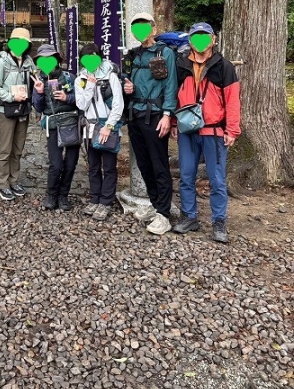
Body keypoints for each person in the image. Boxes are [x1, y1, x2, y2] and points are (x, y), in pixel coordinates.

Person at [171, 22, 241, 243]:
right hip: (187, 129)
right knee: (186, 175)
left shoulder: (224, 67)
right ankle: (189, 216)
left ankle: (219, 221)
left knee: (217, 179)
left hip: (214, 130)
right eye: (196, 37)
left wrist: (232, 130)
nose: (200, 41)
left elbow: (232, 100)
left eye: (204, 37)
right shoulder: (181, 64)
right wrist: (173, 122)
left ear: (213, 39)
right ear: (190, 41)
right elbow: (174, 94)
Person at [122, 12, 177, 235]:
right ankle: (155, 205)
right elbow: (129, 81)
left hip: (155, 115)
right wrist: (128, 88)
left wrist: (167, 115)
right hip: (135, 114)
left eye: (145, 27)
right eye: (136, 28)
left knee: (159, 163)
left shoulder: (165, 53)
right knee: (144, 163)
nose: (140, 32)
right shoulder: (134, 55)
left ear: (154, 29)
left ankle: (164, 214)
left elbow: (171, 84)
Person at [75, 43, 124, 221]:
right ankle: (95, 199)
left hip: (108, 126)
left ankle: (105, 202)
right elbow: (81, 105)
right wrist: (89, 86)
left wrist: (108, 126)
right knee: (93, 166)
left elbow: (118, 104)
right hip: (90, 128)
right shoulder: (80, 79)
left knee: (109, 166)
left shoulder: (111, 76)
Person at [32, 44, 80, 211]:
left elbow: (81, 100)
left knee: (71, 163)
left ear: (57, 60)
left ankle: (63, 195)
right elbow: (38, 107)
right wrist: (39, 93)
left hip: (71, 123)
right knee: (56, 164)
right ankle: (51, 195)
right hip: (52, 124)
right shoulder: (38, 80)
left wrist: (67, 98)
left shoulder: (69, 77)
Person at [0, 27, 35, 201]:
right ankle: (2, 184)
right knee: (5, 149)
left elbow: (35, 81)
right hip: (6, 110)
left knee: (17, 148)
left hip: (23, 109)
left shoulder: (28, 62)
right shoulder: (2, 62)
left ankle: (13, 180)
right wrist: (11, 97)